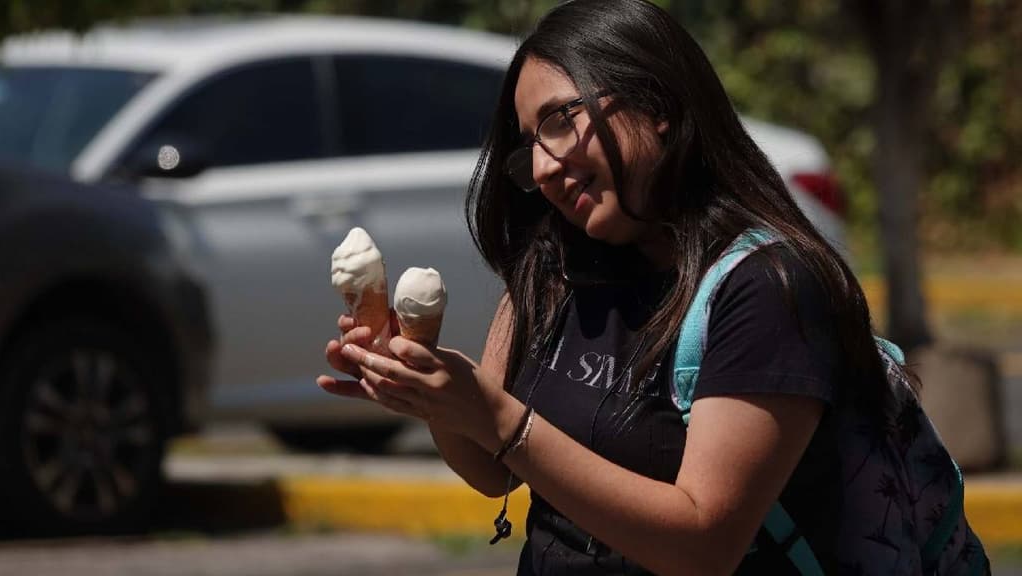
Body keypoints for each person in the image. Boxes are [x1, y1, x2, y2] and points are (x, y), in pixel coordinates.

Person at [318, 1, 985, 574]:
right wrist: (431, 392)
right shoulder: (551, 269)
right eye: (529, 146)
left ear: (656, 103)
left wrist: (497, 418)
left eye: (560, 120)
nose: (545, 166)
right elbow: (495, 471)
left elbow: (704, 543)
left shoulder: (768, 288)